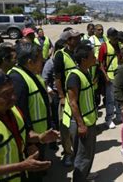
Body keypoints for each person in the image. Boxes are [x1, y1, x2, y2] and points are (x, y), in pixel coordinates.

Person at [7, 43, 59, 181]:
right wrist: (30, 143)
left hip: (39, 136)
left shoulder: (30, 73)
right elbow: (19, 114)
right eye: (41, 58)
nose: (43, 61)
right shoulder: (17, 79)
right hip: (31, 140)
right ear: (30, 62)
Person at [0, 72, 58, 182]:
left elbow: (24, 132)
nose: (13, 97)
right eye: (6, 94)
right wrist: (21, 166)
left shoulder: (14, 110)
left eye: (13, 92)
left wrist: (39, 137)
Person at [61, 41, 98, 182]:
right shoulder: (74, 76)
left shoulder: (86, 72)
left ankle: (85, 176)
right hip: (80, 123)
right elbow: (73, 103)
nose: (94, 58)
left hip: (89, 120)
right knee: (82, 156)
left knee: (88, 152)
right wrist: (81, 124)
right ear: (84, 59)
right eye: (92, 56)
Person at [53, 28, 81, 166]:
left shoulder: (79, 52)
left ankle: (77, 152)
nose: (79, 39)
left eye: (79, 37)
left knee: (78, 126)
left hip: (80, 96)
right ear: (69, 40)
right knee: (66, 127)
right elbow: (57, 78)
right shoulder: (60, 55)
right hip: (67, 97)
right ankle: (68, 153)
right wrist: (62, 96)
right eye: (76, 38)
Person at [99, 27, 122, 129]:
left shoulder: (119, 45)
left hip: (118, 76)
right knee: (110, 100)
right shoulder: (104, 47)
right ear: (109, 37)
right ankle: (109, 119)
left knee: (119, 97)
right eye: (113, 37)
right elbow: (100, 63)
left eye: (116, 37)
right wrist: (105, 76)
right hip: (110, 76)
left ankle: (118, 115)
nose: (115, 39)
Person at [41, 39, 65, 136]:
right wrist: (50, 91)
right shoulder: (50, 63)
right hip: (55, 94)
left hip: (65, 92)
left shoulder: (66, 60)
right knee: (56, 117)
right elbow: (44, 79)